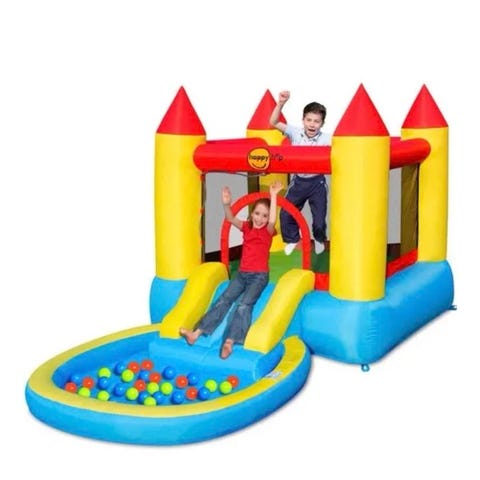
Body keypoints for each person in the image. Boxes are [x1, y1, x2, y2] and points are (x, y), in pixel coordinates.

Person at [179, 180, 283, 359]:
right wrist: (226, 204)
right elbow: (230, 219)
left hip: (259, 277)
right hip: (242, 275)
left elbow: (273, 220)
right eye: (257, 213)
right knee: (223, 300)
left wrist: (273, 196)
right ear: (252, 214)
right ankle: (196, 334)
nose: (260, 218)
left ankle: (230, 341)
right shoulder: (247, 228)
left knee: (244, 305)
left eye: (264, 216)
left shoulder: (267, 231)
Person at [270, 90, 332, 256]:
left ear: (322, 123)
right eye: (309, 120)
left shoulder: (327, 139)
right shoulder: (295, 132)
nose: (312, 124)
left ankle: (319, 239)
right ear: (303, 120)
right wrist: (281, 103)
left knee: (319, 219)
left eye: (316, 121)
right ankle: (292, 239)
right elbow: (273, 122)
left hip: (317, 182)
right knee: (286, 213)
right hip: (299, 181)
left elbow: (345, 143)